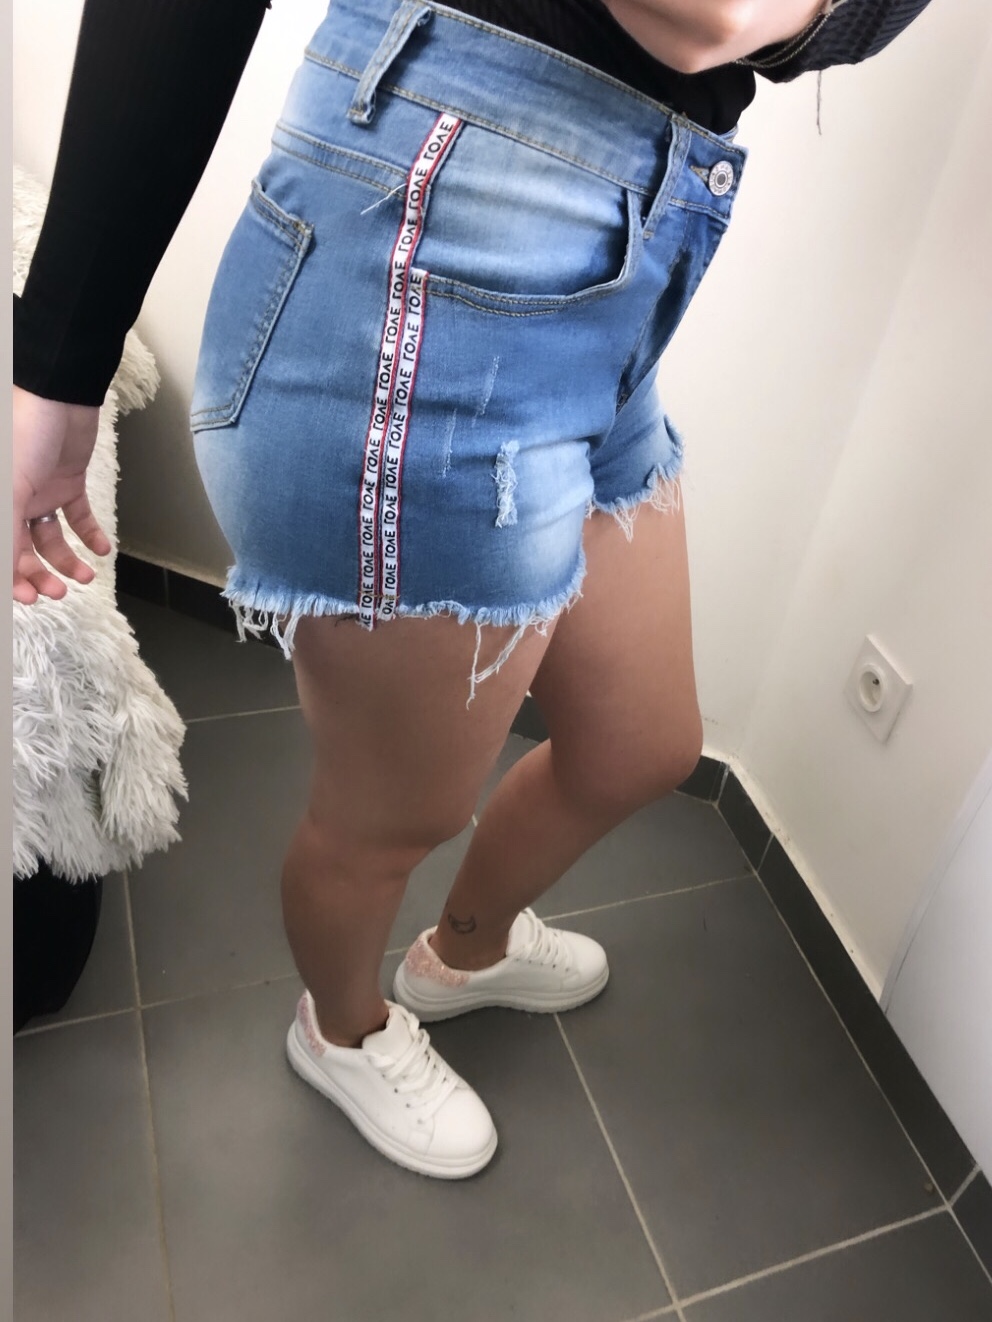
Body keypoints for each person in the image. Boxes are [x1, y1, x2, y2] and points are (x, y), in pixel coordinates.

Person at [12, 0, 932, 1179]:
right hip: (412, 264)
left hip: (624, 271)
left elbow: (770, 24)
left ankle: (463, 950)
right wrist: (57, 361)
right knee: (394, 811)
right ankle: (339, 1027)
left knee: (642, 742)